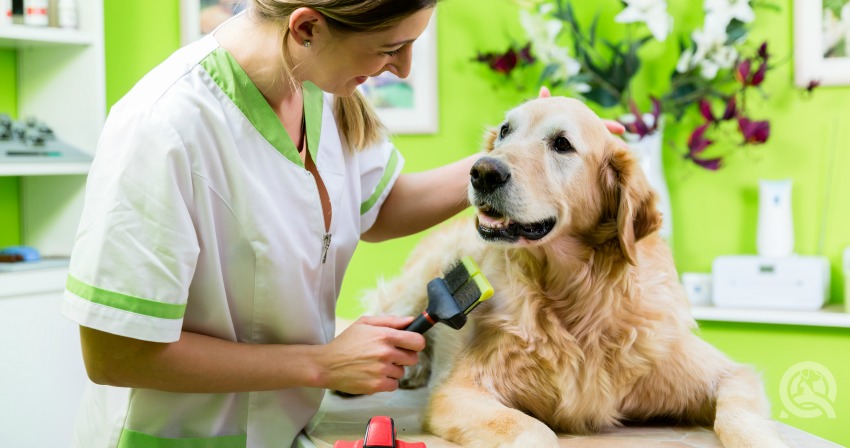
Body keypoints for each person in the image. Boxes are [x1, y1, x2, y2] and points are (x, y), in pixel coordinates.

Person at [61, 1, 625, 446]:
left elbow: (382, 206)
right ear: (306, 28)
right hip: (176, 440)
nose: (402, 68)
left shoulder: (318, 93)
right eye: (391, 47)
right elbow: (115, 354)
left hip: (288, 430)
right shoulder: (163, 128)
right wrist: (322, 363)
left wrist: (514, 167)